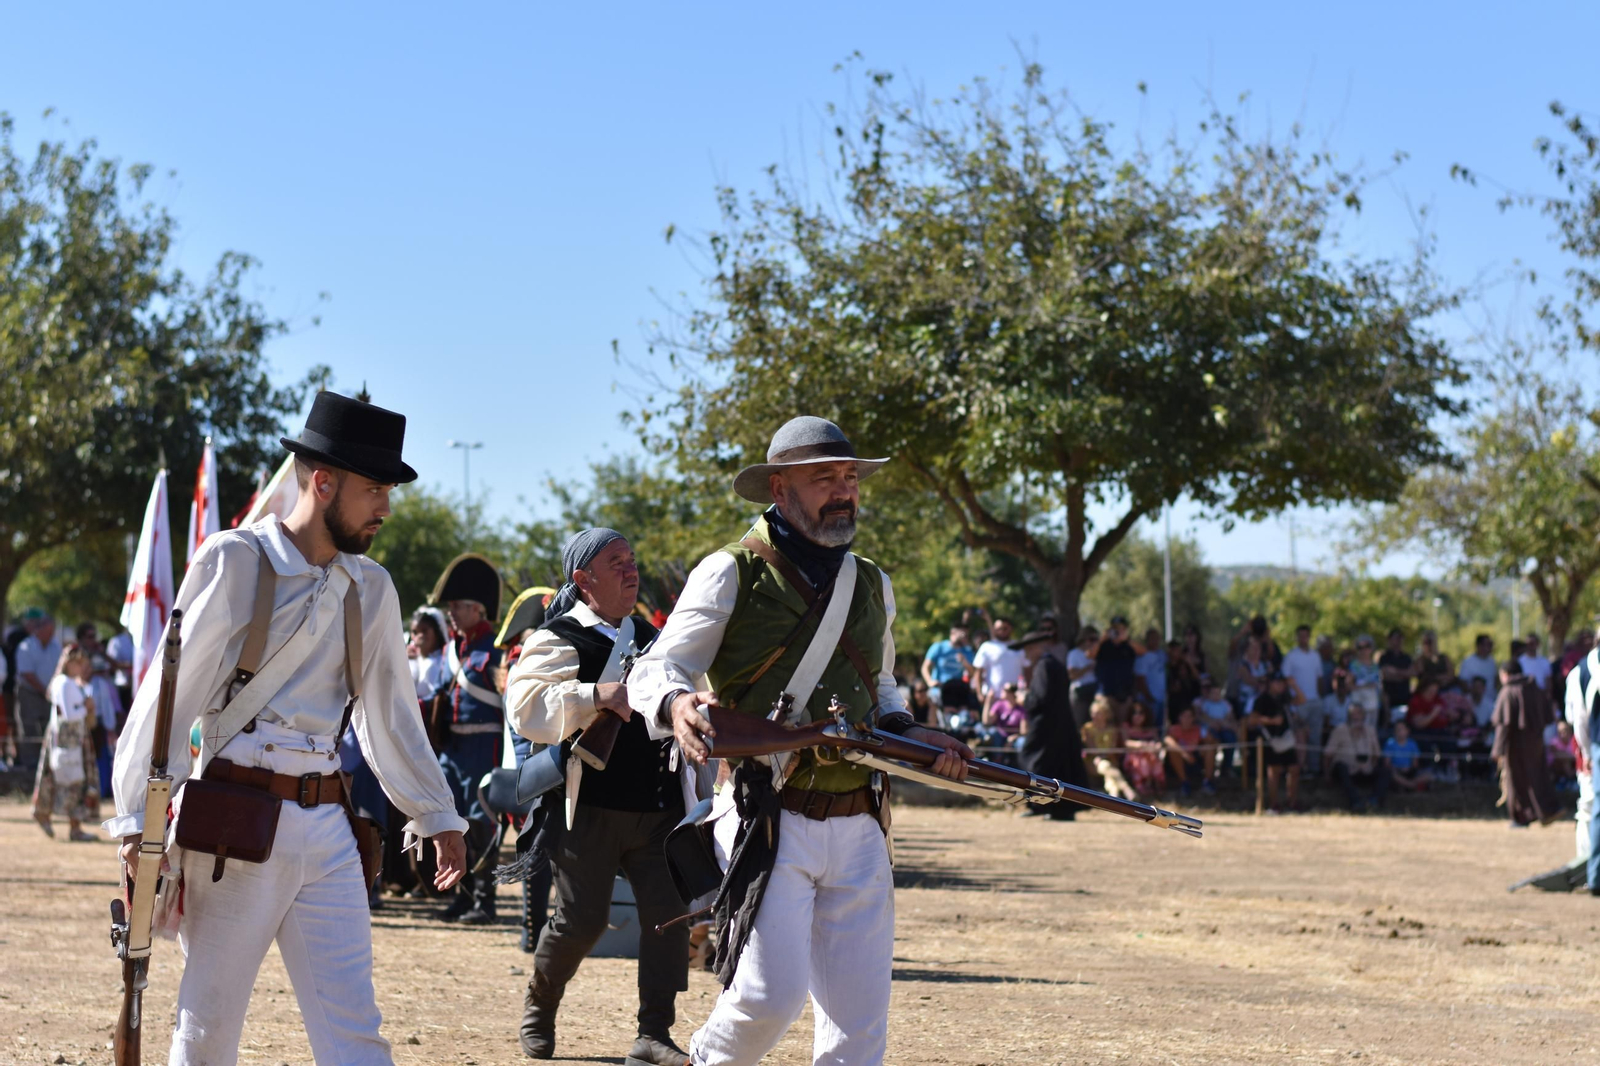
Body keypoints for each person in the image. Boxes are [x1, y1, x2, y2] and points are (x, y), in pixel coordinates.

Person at [107, 391, 468, 1065]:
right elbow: (169, 695)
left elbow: (389, 711)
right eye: (374, 490)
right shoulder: (236, 559)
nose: (385, 509)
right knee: (208, 1029)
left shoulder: (373, 588)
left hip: (329, 825)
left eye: (388, 491)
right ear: (323, 481)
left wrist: (437, 812)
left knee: (355, 1031)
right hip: (234, 823)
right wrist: (135, 822)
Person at [627, 415, 970, 1066]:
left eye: (849, 477)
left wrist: (915, 735)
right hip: (767, 813)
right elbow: (656, 667)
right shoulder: (731, 572)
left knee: (858, 1026)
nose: (844, 491)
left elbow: (884, 687)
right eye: (824, 479)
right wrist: (675, 704)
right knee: (769, 997)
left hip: (862, 819)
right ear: (779, 490)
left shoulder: (871, 583)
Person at [507, 529, 701, 1065]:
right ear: (582, 579)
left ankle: (653, 1034)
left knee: (669, 915)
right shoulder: (558, 637)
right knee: (582, 920)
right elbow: (525, 707)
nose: (630, 569)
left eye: (632, 560)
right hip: (585, 808)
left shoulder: (656, 637)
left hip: (658, 808)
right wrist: (595, 695)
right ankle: (540, 1004)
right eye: (616, 562)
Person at [427, 553, 507, 925]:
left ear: (478, 609)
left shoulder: (496, 650)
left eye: (458, 606)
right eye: (450, 607)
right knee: (451, 821)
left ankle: (484, 902)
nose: (452, 613)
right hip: (453, 749)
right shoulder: (449, 651)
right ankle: (462, 896)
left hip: (483, 747)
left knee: (479, 823)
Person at [1013, 628, 1087, 819]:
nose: (1026, 653)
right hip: (1059, 725)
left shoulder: (1044, 665)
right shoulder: (1054, 664)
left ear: (1037, 647)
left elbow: (1040, 698)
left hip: (1046, 726)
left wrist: (1024, 699)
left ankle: (1042, 806)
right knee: (1059, 767)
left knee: (1034, 760)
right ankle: (1057, 808)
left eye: (1029, 648)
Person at [32, 643, 100, 840]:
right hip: (68, 739)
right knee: (72, 780)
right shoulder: (64, 683)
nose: (82, 668)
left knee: (57, 778)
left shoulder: (66, 682)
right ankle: (70, 825)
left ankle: (64, 821)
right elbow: (70, 714)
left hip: (66, 737)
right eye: (79, 663)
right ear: (70, 663)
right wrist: (86, 708)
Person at [1491, 658, 1563, 827]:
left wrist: (1497, 750)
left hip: (1515, 744)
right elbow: (1547, 717)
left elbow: (1503, 725)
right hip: (1536, 742)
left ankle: (1521, 817)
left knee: (1516, 781)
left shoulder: (1508, 691)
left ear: (1506, 674)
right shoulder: (1536, 689)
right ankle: (1548, 810)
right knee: (1539, 776)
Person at [14, 610, 61, 774]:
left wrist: (51, 691)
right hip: (30, 693)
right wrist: (44, 690)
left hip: (49, 694)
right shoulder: (26, 646)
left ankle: (47, 764)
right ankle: (30, 766)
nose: (51, 634)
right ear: (39, 630)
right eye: (48, 631)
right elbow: (27, 673)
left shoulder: (56, 646)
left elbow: (60, 669)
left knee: (49, 727)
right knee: (29, 728)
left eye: (52, 631)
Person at [1248, 673, 1301, 813]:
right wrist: (1271, 721)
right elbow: (1251, 720)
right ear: (1270, 683)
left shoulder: (1284, 698)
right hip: (1270, 740)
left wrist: (1294, 685)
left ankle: (1292, 803)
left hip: (1286, 738)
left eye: (1283, 683)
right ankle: (1273, 805)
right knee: (1274, 771)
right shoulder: (1261, 699)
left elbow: (1302, 700)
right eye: (1278, 682)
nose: (1281, 685)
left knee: (1294, 769)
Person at [1324, 702, 1389, 812]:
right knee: (1340, 767)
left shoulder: (1370, 730)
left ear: (1364, 716)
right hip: (1346, 771)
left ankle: (1374, 801)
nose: (1356, 716)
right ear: (1348, 716)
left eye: (1359, 713)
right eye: (1353, 714)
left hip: (1365, 770)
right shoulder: (1340, 730)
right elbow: (1327, 755)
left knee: (1385, 771)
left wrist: (1370, 766)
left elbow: (1376, 754)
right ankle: (1356, 802)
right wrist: (1327, 775)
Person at [1281, 626, 1327, 776]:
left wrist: (1320, 698)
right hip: (1299, 704)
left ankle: (1314, 769)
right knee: (1300, 738)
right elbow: (1286, 680)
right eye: (1300, 635)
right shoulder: (1291, 656)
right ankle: (1299, 769)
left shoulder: (1315, 656)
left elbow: (1320, 678)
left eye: (1306, 635)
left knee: (1315, 736)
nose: (1303, 638)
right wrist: (1290, 703)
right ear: (1297, 637)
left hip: (1315, 702)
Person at [1081, 694, 1136, 800]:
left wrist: (1103, 756)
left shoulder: (1112, 730)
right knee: (1106, 766)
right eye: (1093, 713)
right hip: (1093, 761)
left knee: (1108, 770)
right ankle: (1126, 789)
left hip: (1108, 761)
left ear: (1105, 714)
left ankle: (1114, 796)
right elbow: (1091, 747)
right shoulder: (1087, 729)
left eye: (1097, 713)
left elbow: (1112, 748)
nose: (1094, 716)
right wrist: (1100, 756)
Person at [921, 620, 977, 713]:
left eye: (967, 635)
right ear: (953, 632)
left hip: (957, 691)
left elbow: (973, 673)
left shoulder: (967, 651)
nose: (965, 637)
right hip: (940, 690)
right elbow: (925, 667)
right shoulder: (939, 647)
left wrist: (965, 662)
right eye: (963, 634)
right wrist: (929, 681)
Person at [971, 615, 1025, 709]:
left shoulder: (1019, 646)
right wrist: (979, 693)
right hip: (993, 697)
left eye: (1005, 628)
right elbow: (978, 672)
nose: (1002, 631)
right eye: (998, 629)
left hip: (1015, 697)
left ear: (1011, 629)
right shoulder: (987, 646)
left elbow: (1027, 669)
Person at [1094, 617, 1138, 721]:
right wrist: (1102, 639)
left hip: (1125, 694)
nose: (1118, 631)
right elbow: (1089, 655)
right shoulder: (1103, 645)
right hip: (1106, 694)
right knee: (1106, 725)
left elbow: (1143, 651)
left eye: (1121, 628)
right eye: (1115, 628)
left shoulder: (1128, 645)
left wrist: (1126, 639)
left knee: (1122, 727)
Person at [1162, 703, 1212, 796]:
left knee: (1209, 749)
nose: (1187, 719)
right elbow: (1167, 740)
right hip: (1181, 761)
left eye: (1189, 716)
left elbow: (1213, 742)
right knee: (1173, 750)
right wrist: (1184, 754)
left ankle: (1207, 782)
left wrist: (1203, 747)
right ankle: (1185, 783)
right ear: (1179, 717)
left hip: (1196, 760)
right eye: (1184, 716)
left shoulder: (1199, 729)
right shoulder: (1174, 729)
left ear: (1193, 718)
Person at [1195, 679, 1239, 780]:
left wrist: (1223, 723)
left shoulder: (1226, 704)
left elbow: (1231, 718)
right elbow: (1201, 716)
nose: (1215, 695)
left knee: (1230, 739)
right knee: (1211, 741)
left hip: (1224, 728)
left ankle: (1227, 767)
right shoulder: (1204, 704)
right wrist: (1212, 722)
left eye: (1217, 692)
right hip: (1210, 729)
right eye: (1213, 692)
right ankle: (1209, 769)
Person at [1121, 702, 1165, 795]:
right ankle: (1142, 785)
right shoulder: (1126, 726)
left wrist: (1156, 746)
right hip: (1133, 759)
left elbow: (1158, 744)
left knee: (1152, 758)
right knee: (1141, 759)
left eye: (1141, 713)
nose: (1138, 716)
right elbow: (1126, 743)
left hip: (1151, 758)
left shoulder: (1151, 729)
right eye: (1134, 713)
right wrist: (1141, 744)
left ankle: (1153, 784)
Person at [1132, 627, 1168, 727]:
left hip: (1161, 700)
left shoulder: (1161, 654)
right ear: (1147, 640)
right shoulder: (1143, 656)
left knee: (1160, 729)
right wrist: (1149, 698)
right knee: (1149, 728)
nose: (1155, 641)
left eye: (1157, 638)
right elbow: (1140, 679)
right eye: (1152, 638)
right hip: (1148, 700)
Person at [1379, 627, 1417, 721]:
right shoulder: (1384, 657)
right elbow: (1385, 675)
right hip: (1389, 700)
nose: (1398, 641)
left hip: (1405, 698)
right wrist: (1404, 674)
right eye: (1396, 638)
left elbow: (1412, 673)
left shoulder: (1407, 657)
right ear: (1390, 640)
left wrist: (1395, 671)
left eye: (1400, 638)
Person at [1066, 624, 1100, 729]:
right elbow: (1072, 675)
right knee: (1079, 723)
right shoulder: (1074, 654)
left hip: (1094, 691)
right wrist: (1087, 668)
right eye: (1091, 639)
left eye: (1095, 639)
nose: (1093, 642)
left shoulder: (1097, 653)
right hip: (1079, 692)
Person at [1382, 721, 1431, 792]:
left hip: (1409, 771)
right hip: (1396, 771)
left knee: (1429, 775)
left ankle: (1406, 785)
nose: (1399, 731)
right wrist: (1398, 768)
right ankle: (1411, 785)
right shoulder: (1390, 744)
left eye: (1401, 729)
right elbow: (1387, 764)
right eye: (1397, 729)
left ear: (1407, 731)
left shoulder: (1412, 744)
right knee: (1391, 774)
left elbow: (1415, 764)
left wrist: (1409, 768)